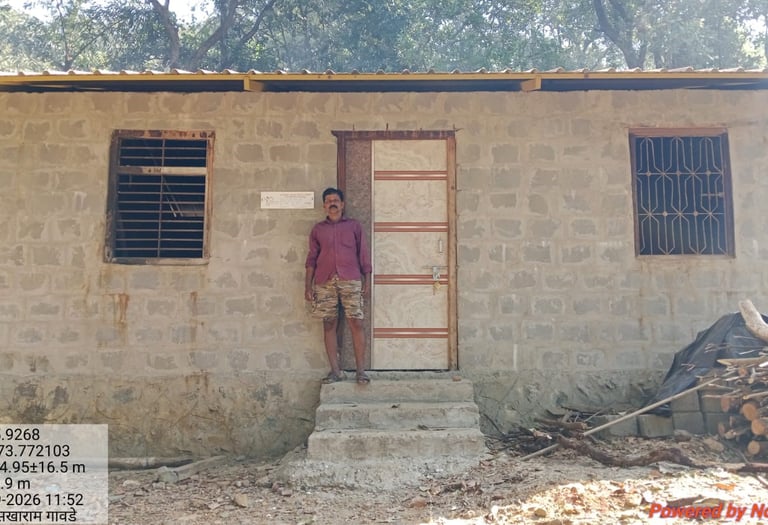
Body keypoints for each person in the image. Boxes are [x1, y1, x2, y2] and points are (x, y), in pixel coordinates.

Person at [305, 187, 372, 384]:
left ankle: (361, 372)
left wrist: (367, 280)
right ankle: (335, 372)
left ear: (342, 204)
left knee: (356, 322)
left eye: (335, 200)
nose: (332, 203)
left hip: (350, 279)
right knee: (329, 324)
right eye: (328, 201)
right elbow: (311, 259)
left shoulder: (354, 227)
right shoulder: (318, 230)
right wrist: (307, 286)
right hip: (324, 281)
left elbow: (363, 254)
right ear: (324, 206)